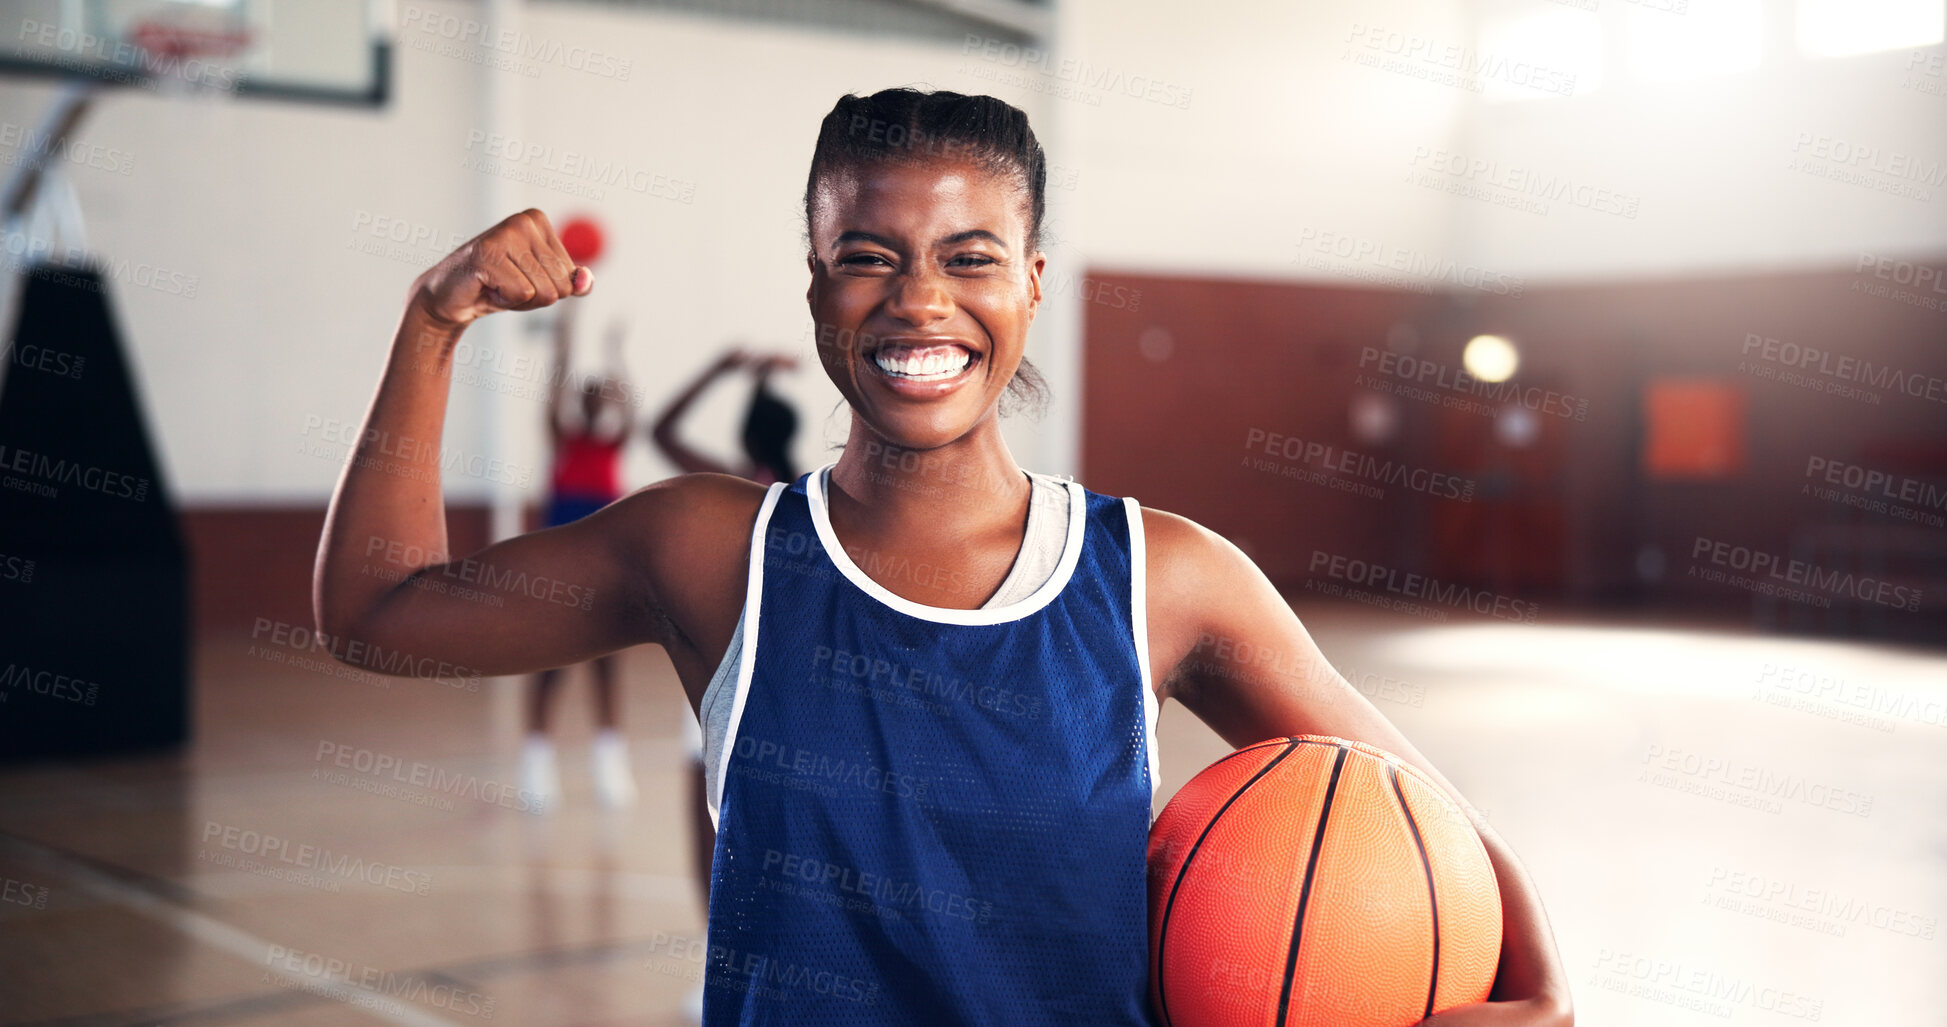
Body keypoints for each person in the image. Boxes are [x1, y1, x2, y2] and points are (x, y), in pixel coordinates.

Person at [314, 88, 1573, 1026]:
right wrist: (434, 320)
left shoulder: (1163, 576)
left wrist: (1547, 995)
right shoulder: (710, 549)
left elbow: (1426, 815)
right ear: (817, 288)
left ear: (1032, 283)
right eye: (869, 257)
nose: (920, 299)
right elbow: (375, 611)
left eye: (970, 258)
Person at [523, 306, 636, 808]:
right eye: (587, 394)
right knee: (551, 666)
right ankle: (536, 760)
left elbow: (630, 408)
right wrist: (563, 343)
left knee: (607, 665)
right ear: (578, 403)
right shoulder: (564, 441)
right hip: (561, 572)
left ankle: (609, 761)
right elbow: (554, 390)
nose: (594, 399)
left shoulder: (612, 445)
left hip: (604, 573)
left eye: (599, 395)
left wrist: (615, 356)